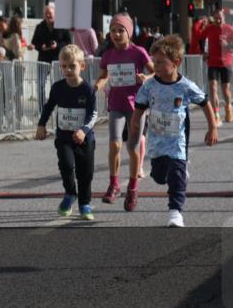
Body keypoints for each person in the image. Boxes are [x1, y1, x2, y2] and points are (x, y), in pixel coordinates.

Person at [132, 35, 218, 227]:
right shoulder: (150, 86)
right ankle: (176, 173)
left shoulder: (186, 86)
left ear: (176, 62)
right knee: (159, 177)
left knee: (176, 174)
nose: (156, 66)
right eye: (155, 62)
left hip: (177, 141)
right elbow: (139, 107)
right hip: (156, 141)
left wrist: (212, 127)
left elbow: (205, 103)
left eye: (161, 62)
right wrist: (134, 126)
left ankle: (175, 212)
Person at [93, 13, 153, 210]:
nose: (116, 34)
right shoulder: (108, 55)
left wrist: (146, 77)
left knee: (133, 147)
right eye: (113, 30)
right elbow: (104, 76)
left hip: (136, 106)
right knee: (114, 144)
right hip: (116, 105)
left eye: (121, 30)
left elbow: (155, 71)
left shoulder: (139, 52)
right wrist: (95, 87)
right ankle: (114, 184)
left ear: (129, 33)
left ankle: (133, 188)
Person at [35, 44, 98, 220]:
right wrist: (41, 125)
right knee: (66, 165)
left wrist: (84, 130)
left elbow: (93, 114)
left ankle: (85, 203)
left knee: (86, 172)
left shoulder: (87, 90)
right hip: (64, 137)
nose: (68, 70)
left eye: (72, 66)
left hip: (85, 139)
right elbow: (48, 107)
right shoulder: (57, 88)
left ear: (82, 66)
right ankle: (70, 193)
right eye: (64, 66)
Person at [201, 7, 233, 125]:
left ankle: (228, 107)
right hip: (212, 62)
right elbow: (201, 40)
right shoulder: (209, 29)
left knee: (225, 90)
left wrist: (227, 45)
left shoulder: (229, 29)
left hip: (226, 62)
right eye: (215, 18)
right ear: (213, 18)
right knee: (213, 87)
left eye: (220, 18)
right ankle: (216, 114)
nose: (218, 20)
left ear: (223, 17)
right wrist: (204, 52)